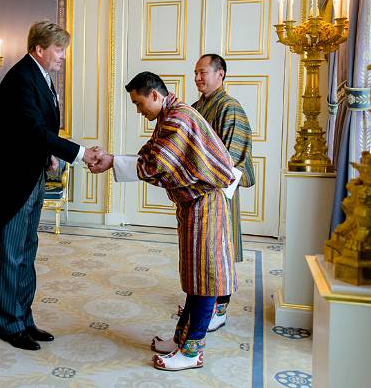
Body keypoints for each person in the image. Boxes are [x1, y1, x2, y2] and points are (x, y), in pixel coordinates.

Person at [89, 71, 240, 371]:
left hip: (206, 202)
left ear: (155, 95)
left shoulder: (178, 118)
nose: (138, 110)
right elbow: (153, 153)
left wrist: (112, 162)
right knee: (194, 274)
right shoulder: (170, 115)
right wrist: (114, 160)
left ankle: (192, 350)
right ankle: (181, 340)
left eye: (139, 103)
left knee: (205, 278)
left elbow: (158, 162)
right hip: (195, 203)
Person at [0, 21, 102, 351]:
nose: (63, 56)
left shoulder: (41, 77)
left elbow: (36, 129)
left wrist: (48, 154)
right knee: (12, 253)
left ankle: (25, 318)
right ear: (40, 49)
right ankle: (10, 325)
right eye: (59, 49)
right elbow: (31, 129)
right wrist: (78, 153)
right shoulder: (20, 78)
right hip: (12, 179)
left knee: (27, 250)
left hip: (29, 173)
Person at [192, 53, 256, 330]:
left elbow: (232, 157)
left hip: (220, 191)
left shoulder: (230, 107)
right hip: (200, 189)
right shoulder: (196, 107)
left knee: (221, 249)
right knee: (204, 250)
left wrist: (210, 179)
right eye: (196, 73)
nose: (198, 78)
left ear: (221, 74)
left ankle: (220, 307)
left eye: (203, 72)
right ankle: (205, 300)